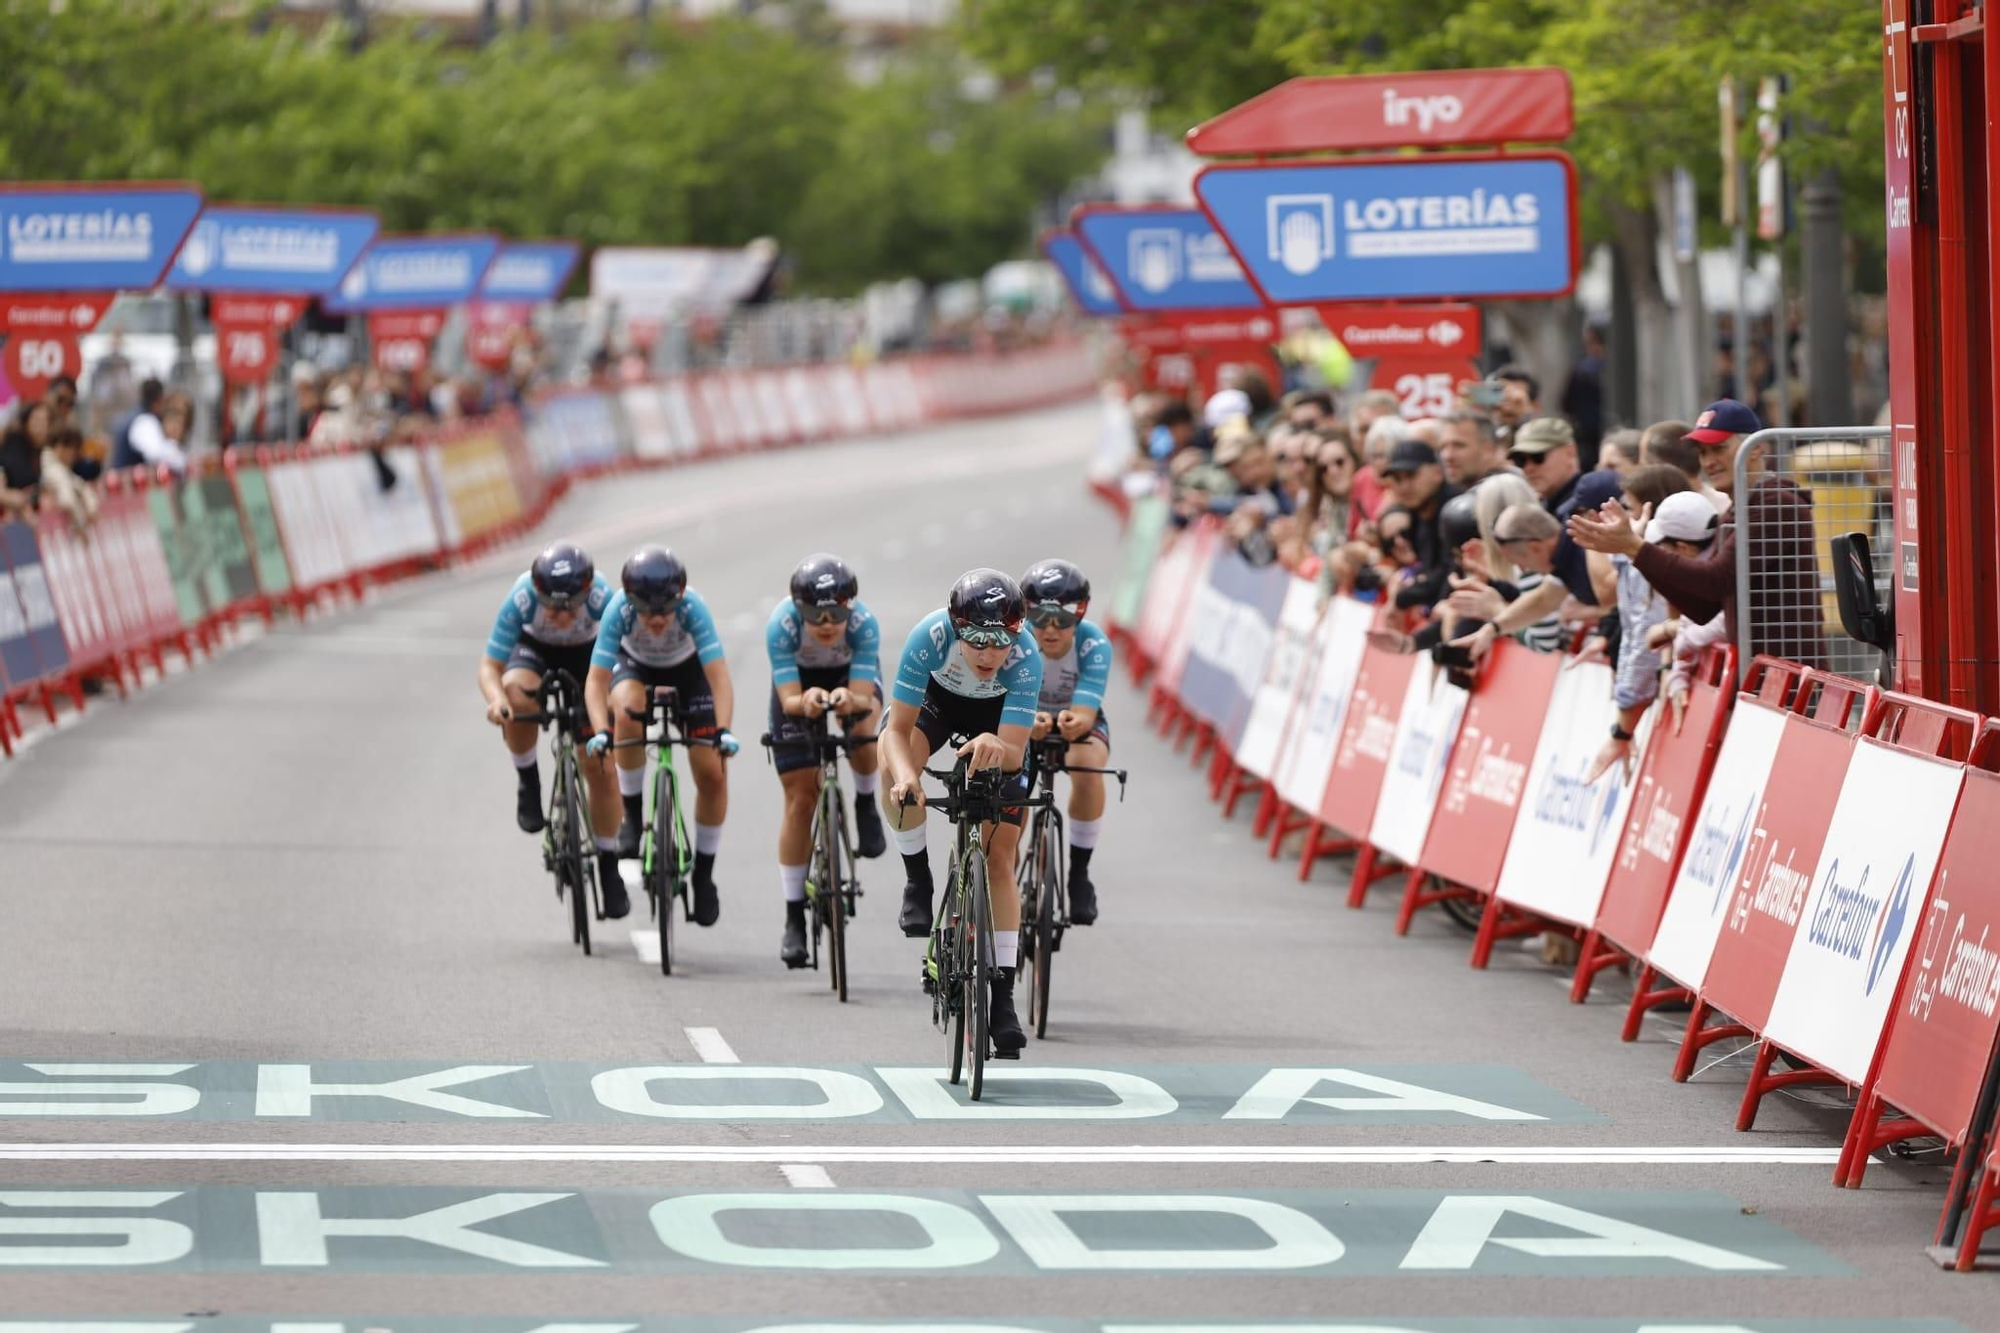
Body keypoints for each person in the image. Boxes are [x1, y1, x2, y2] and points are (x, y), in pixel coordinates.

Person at [881, 568, 1044, 1057]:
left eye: (1002, 642)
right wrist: (908, 776)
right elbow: (895, 731)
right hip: (939, 705)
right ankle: (918, 878)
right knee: (890, 767)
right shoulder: (928, 638)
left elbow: (1015, 752)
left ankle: (1004, 999)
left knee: (999, 855)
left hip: (999, 723)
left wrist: (997, 742)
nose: (991, 654)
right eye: (977, 641)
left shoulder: (1025, 656)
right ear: (956, 629)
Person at [584, 546, 737, 928]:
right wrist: (602, 730)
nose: (655, 620)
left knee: (713, 773)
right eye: (646, 611)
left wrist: (722, 732)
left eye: (664, 611)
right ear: (632, 602)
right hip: (634, 666)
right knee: (627, 708)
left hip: (689, 672)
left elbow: (719, 678)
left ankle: (703, 875)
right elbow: (597, 681)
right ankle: (632, 817)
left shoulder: (693, 609)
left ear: (679, 600)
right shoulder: (618, 609)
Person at [478, 543, 626, 913]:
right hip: (534, 651)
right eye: (552, 607)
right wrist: (497, 701)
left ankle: (609, 865)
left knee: (602, 768)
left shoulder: (603, 600)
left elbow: (624, 665)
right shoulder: (523, 597)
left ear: (587, 594)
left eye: (570, 607)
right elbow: (489, 667)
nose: (561, 616)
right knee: (518, 696)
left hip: (589, 655)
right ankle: (528, 780)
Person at [766, 552, 886, 969]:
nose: (827, 623)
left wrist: (845, 700)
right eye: (816, 615)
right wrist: (808, 702)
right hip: (799, 686)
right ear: (799, 611)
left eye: (836, 613)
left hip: (849, 679)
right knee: (801, 799)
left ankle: (865, 802)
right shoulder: (780, 627)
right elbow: (789, 699)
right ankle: (794, 916)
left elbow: (860, 694)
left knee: (864, 727)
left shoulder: (864, 625)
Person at [1020, 559, 1113, 926]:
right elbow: (1006, 701)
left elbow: (1085, 716)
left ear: (1081, 614)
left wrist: (1073, 723)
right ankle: (1000, 883)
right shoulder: (1019, 641)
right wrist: (1027, 722)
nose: (1052, 629)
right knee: (1009, 784)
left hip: (1076, 719)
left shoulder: (1094, 644)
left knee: (1087, 766)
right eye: (1040, 618)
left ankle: (1078, 874)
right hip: (1023, 715)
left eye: (1064, 618)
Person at [1640, 421, 1730, 514]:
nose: (1708, 463)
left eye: (1644, 466)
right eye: (1702, 452)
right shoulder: (1722, 503)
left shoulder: (1725, 511)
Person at [1509, 415, 1582, 515]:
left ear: (1569, 452)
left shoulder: (1589, 503)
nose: (1528, 468)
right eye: (1520, 460)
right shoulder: (1541, 505)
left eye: (1538, 456)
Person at [111, 379, 183, 476]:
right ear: (158, 399)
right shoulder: (144, 420)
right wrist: (181, 461)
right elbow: (156, 454)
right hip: (128, 486)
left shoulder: (134, 415)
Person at [37, 425, 97, 531]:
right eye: (73, 451)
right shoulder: (54, 471)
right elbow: (67, 500)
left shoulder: (59, 469)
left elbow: (80, 486)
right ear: (61, 448)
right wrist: (80, 527)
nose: (74, 457)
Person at [1437, 411, 1516, 489]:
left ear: (1488, 450)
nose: (1448, 456)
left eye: (1459, 446)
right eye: (1443, 447)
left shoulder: (1508, 490)